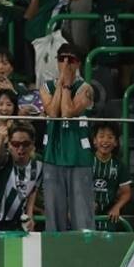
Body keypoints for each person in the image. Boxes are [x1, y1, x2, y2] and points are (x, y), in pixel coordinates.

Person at [40, 43, 94, 231]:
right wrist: (61, 83)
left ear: (78, 63)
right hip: (53, 154)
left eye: (70, 59)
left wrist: (68, 85)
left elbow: (68, 112)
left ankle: (86, 252)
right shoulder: (46, 86)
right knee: (53, 214)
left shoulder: (86, 88)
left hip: (78, 156)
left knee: (82, 215)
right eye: (61, 59)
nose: (65, 63)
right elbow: (53, 112)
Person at [91, 122, 131, 230]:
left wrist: (116, 207)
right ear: (94, 140)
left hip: (109, 217)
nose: (105, 141)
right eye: (101, 136)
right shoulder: (85, 162)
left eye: (110, 137)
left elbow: (126, 193)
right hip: (86, 214)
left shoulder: (120, 166)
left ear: (116, 142)